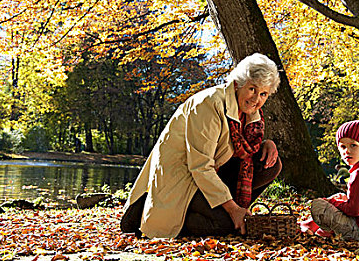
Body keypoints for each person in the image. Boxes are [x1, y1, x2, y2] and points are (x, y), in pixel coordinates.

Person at [120, 53, 281, 239]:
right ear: (238, 83)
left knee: (271, 164)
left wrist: (267, 144)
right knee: (224, 225)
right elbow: (200, 166)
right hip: (184, 176)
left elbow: (241, 149)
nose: (256, 99)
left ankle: (229, 211)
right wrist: (232, 209)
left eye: (263, 94)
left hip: (212, 172)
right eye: (252, 89)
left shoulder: (251, 114)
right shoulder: (208, 104)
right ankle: (151, 213)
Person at [300, 120, 359, 240]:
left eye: (353, 145)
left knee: (318, 205)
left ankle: (314, 226)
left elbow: (354, 210)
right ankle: (318, 229)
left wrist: (331, 203)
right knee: (341, 196)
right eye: (343, 146)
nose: (347, 151)